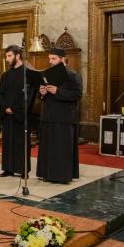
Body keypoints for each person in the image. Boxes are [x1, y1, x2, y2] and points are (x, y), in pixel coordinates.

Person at [36, 46, 82, 184]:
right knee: (48, 148)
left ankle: (61, 176)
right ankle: (47, 174)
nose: (50, 61)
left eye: (53, 59)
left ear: (62, 60)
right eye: (49, 58)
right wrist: (42, 93)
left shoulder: (73, 75)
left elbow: (77, 94)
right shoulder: (47, 74)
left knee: (61, 149)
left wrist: (57, 91)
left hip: (64, 118)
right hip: (49, 116)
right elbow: (41, 96)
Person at [0, 45, 36, 178]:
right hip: (7, 115)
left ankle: (23, 170)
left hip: (20, 116)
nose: (7, 59)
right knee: (7, 142)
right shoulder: (5, 75)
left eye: (9, 56)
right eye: (6, 56)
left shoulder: (27, 74)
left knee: (21, 143)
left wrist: (14, 109)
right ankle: (8, 168)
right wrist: (5, 107)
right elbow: (0, 94)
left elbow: (29, 96)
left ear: (17, 56)